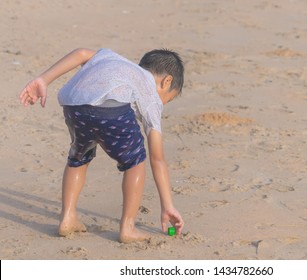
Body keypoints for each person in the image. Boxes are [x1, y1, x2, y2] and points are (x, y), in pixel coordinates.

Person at [19, 48, 185, 243]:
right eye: (168, 98)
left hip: (74, 106)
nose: (162, 104)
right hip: (111, 110)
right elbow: (158, 159)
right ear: (167, 82)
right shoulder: (150, 92)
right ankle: (128, 228)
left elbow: (81, 53)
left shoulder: (112, 58)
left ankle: (68, 217)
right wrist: (168, 206)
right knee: (135, 160)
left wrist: (43, 80)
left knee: (79, 156)